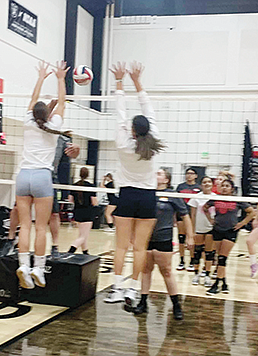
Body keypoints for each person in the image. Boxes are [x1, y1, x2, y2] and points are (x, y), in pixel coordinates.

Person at [104, 61, 165, 309]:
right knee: (140, 249)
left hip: (127, 195)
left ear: (132, 130)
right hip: (148, 197)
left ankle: (118, 288)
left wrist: (120, 81)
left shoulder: (123, 143)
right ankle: (132, 289)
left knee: (121, 246)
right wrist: (137, 81)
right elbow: (147, 108)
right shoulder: (155, 140)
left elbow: (120, 112)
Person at [15, 60, 70, 289]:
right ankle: (38, 268)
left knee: (25, 225)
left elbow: (33, 100)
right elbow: (63, 102)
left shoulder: (28, 122)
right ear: (48, 114)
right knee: (41, 227)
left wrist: (41, 77)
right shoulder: (54, 124)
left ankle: (23, 266)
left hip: (23, 176)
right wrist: (60, 78)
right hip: (42, 177)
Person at [131, 169, 194, 320]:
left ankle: (176, 305)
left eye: (159, 173)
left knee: (166, 271)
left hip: (163, 238)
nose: (155, 175)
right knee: (146, 270)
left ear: (166, 180)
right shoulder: (147, 192)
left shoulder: (172, 195)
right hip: (146, 238)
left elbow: (185, 216)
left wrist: (190, 237)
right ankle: (143, 302)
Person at [8, 130, 80, 258]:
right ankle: (10, 240)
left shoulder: (62, 140)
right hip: (29, 174)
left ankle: (54, 246)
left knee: (53, 214)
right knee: (17, 210)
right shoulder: (34, 131)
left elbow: (72, 156)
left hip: (49, 178)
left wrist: (76, 150)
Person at [204, 179, 255, 295]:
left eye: (227, 186)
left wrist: (242, 223)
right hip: (217, 230)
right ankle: (224, 283)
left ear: (232, 188)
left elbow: (252, 212)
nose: (224, 188)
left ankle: (216, 284)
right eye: (222, 186)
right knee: (220, 257)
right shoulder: (215, 198)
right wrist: (210, 220)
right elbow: (205, 208)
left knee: (222, 258)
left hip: (230, 231)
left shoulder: (237, 200)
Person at [188, 176, 216, 287]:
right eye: (204, 182)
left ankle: (207, 275)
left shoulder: (216, 197)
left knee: (209, 253)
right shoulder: (196, 197)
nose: (207, 183)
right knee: (197, 252)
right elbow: (193, 215)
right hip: (199, 229)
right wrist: (192, 230)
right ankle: (196, 274)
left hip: (211, 228)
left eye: (209, 182)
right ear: (201, 185)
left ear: (212, 184)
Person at [67, 167, 98, 254]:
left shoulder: (74, 186)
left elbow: (70, 200)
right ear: (88, 175)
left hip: (77, 212)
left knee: (82, 235)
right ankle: (71, 250)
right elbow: (94, 202)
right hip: (87, 212)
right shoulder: (91, 186)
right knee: (83, 236)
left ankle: (85, 252)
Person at [176, 168, 200, 272]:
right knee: (181, 238)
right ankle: (181, 261)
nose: (189, 175)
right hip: (181, 215)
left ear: (196, 176)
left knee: (191, 239)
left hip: (193, 215)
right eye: (187, 173)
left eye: (191, 174)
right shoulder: (180, 187)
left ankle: (192, 260)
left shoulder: (198, 188)